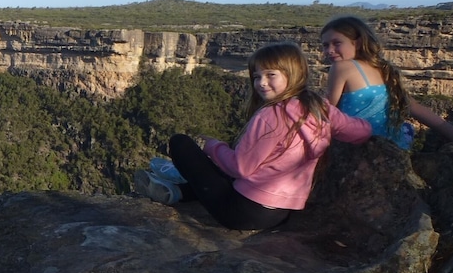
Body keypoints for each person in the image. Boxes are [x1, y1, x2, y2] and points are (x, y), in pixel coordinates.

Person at [132, 42, 372, 231]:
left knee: (181, 143)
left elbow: (241, 168)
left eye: (270, 75)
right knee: (228, 173)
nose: (261, 83)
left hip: (241, 212)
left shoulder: (270, 115)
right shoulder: (320, 107)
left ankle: (180, 176)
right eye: (257, 76)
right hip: (281, 213)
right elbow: (361, 132)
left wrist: (212, 146)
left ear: (293, 73)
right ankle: (179, 192)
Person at [320, 16, 453, 149]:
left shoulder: (341, 67)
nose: (329, 50)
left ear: (357, 43)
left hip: (360, 148)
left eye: (336, 43)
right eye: (325, 45)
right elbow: (414, 107)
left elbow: (328, 111)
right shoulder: (383, 69)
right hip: (394, 146)